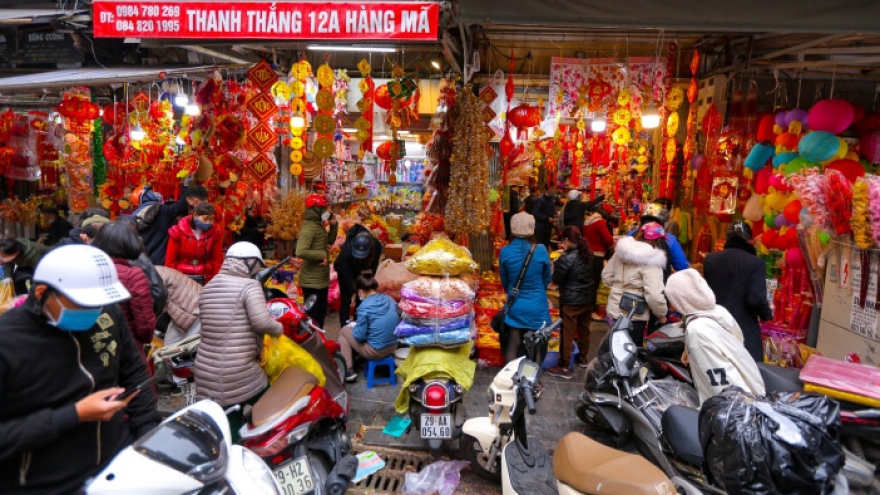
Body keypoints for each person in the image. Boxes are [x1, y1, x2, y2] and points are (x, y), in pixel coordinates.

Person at [0, 245, 161, 494]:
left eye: (100, 303)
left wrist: (148, 437)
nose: (95, 312)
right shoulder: (8, 341)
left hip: (112, 470)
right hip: (41, 484)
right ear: (43, 293)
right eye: (84, 304)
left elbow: (134, 373)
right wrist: (75, 414)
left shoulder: (106, 314)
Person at [196, 242, 282, 439]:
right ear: (250, 263)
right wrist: (279, 329)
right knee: (271, 400)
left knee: (227, 419)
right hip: (236, 371)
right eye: (257, 266)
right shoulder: (249, 286)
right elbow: (261, 322)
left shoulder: (209, 286)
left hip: (204, 369)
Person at [665, 268, 766, 404]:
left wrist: (733, 408)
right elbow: (735, 342)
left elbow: (720, 380)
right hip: (751, 383)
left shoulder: (697, 330)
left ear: (680, 300)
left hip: (735, 405)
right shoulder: (719, 311)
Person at [703, 221, 773, 362]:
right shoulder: (755, 263)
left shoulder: (710, 259)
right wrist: (767, 314)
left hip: (714, 325)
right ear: (750, 240)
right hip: (742, 328)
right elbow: (756, 299)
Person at [602, 222, 668, 348]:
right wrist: (661, 314)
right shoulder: (652, 259)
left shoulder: (621, 252)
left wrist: (618, 288)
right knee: (628, 358)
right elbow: (654, 295)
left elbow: (606, 276)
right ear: (657, 240)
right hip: (634, 316)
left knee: (612, 353)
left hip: (613, 311)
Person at [91, 222, 157, 348]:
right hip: (126, 347)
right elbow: (145, 326)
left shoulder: (87, 270)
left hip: (93, 346)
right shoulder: (133, 275)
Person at [499, 212, 552, 363]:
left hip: (515, 305)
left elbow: (505, 281)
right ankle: (532, 378)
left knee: (514, 343)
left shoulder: (505, 252)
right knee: (536, 344)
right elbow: (547, 278)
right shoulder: (541, 250)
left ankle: (511, 377)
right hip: (537, 306)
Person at [548, 226, 595, 378]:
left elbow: (556, 280)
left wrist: (556, 265)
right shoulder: (588, 254)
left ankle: (564, 365)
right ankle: (583, 356)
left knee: (567, 333)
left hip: (570, 300)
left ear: (567, 240)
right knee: (584, 329)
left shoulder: (565, 259)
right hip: (587, 298)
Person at [338, 271, 400, 382]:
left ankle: (348, 370)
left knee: (344, 331)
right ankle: (352, 361)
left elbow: (359, 336)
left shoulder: (364, 307)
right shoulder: (390, 300)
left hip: (376, 351)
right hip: (394, 346)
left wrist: (355, 326)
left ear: (360, 291)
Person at [135, 183, 209, 265]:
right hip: (160, 259)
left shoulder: (138, 215)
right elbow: (179, 208)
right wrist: (185, 186)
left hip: (146, 259)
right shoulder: (160, 211)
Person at [296, 193, 338, 328]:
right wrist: (321, 254)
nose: (326, 212)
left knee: (320, 314)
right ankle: (312, 344)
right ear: (315, 211)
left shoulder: (317, 225)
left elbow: (329, 241)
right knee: (313, 316)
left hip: (320, 279)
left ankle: (319, 340)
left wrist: (333, 225)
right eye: (323, 209)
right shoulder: (309, 228)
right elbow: (300, 251)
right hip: (312, 281)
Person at [333, 225, 382, 328]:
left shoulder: (376, 246)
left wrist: (365, 282)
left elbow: (374, 266)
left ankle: (359, 324)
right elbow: (347, 275)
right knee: (346, 301)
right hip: (346, 271)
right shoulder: (346, 253)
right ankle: (345, 328)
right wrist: (353, 292)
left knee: (362, 299)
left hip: (363, 270)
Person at [165, 201, 224, 284]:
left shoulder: (215, 233)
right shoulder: (177, 232)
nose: (208, 222)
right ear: (195, 215)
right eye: (205, 219)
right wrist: (173, 280)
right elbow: (170, 261)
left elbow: (217, 259)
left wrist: (216, 280)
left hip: (206, 277)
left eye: (211, 219)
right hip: (181, 277)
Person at [629, 202, 689, 275]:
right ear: (664, 224)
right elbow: (682, 267)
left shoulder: (631, 234)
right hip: (658, 284)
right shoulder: (670, 240)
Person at [155, 265, 202, 345]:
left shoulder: (149, 278)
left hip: (191, 309)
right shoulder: (154, 270)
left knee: (170, 346)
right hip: (196, 302)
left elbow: (153, 310)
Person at [584, 203, 614, 319]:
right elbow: (608, 239)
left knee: (588, 281)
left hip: (587, 253)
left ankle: (586, 308)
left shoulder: (588, 220)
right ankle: (591, 310)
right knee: (594, 283)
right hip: (597, 255)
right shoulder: (600, 222)